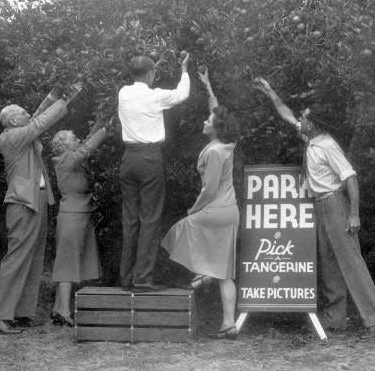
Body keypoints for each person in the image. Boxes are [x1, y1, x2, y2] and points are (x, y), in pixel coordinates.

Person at [253, 77, 375, 337]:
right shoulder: (310, 139)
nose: (299, 122)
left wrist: (354, 214)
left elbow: (351, 178)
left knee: (351, 262)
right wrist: (270, 92)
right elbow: (286, 114)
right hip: (320, 206)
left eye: (303, 119)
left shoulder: (327, 145)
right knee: (329, 265)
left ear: (312, 124)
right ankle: (336, 319)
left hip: (336, 204)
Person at [0, 84, 82, 335]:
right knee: (17, 257)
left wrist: (53, 93)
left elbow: (36, 115)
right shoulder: (10, 137)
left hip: (36, 200)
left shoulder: (20, 129)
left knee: (35, 256)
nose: (29, 114)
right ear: (13, 120)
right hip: (23, 202)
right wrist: (66, 99)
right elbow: (39, 122)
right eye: (24, 113)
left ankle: (21, 313)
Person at [161, 67, 241, 340]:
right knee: (226, 274)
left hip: (214, 210)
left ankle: (201, 275)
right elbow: (217, 111)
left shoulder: (216, 152)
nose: (204, 123)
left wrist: (194, 208)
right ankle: (229, 324)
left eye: (208, 122)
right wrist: (208, 86)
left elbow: (210, 189)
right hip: (229, 212)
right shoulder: (227, 143)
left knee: (179, 230)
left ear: (216, 129)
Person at [117, 52, 191, 292]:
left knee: (130, 220)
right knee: (150, 218)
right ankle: (142, 279)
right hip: (149, 159)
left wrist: (149, 69)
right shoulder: (155, 96)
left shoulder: (123, 93)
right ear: (150, 74)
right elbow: (182, 94)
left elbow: (142, 80)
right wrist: (184, 70)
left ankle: (126, 278)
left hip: (128, 158)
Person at [49, 120, 111, 327]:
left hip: (79, 215)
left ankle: (59, 308)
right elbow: (86, 148)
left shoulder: (69, 158)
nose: (78, 139)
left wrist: (102, 120)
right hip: (72, 217)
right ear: (65, 145)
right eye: (73, 138)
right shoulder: (65, 160)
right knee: (67, 265)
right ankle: (65, 311)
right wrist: (104, 130)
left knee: (69, 262)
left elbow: (84, 143)